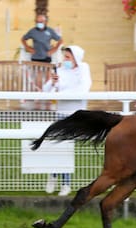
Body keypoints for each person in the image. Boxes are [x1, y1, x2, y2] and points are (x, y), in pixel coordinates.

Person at [42, 45, 92, 196]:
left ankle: (65, 183)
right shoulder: (60, 70)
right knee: (56, 146)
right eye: (64, 57)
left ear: (76, 58)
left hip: (76, 115)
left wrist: (62, 92)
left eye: (68, 57)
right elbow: (47, 90)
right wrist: (52, 83)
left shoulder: (83, 69)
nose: (65, 60)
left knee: (66, 148)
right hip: (61, 113)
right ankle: (53, 176)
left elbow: (83, 89)